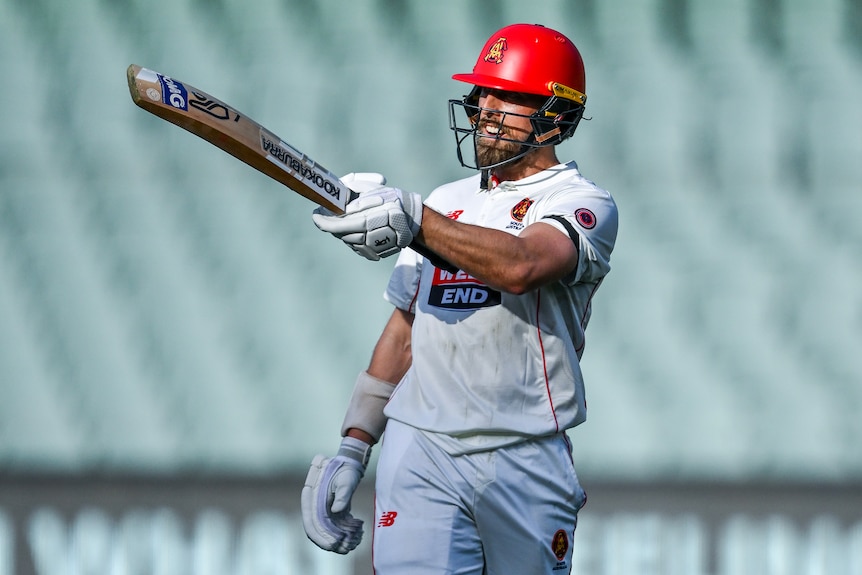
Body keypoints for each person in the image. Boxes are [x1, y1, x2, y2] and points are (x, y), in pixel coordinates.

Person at [301, 23, 618, 575]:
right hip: (421, 448)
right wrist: (355, 444)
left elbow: (523, 266)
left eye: (507, 96)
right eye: (481, 94)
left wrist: (416, 221)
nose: (484, 108)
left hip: (527, 452)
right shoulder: (446, 201)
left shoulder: (582, 201)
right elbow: (403, 333)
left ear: (557, 115)